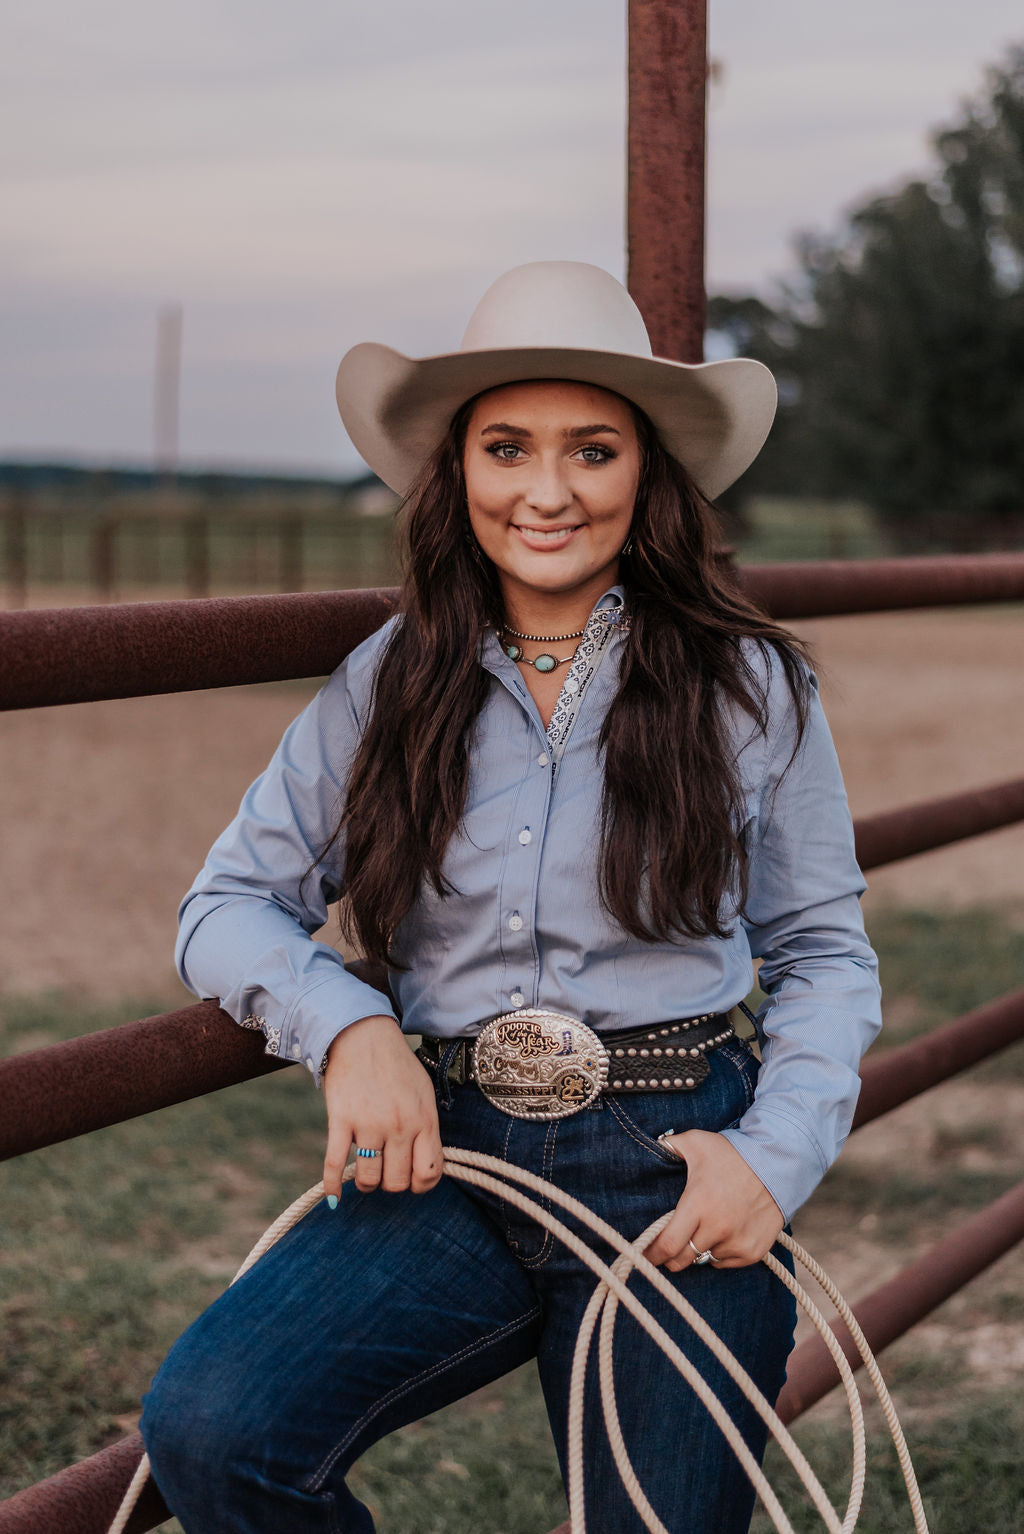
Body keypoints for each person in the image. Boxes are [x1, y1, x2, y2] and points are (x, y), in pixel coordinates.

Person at [140, 261, 881, 1534]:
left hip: (674, 1158)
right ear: (458, 471)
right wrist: (352, 1027)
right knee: (216, 1424)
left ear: (644, 471)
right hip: (451, 1154)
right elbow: (226, 904)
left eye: (592, 449)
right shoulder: (386, 683)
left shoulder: (745, 686)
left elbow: (822, 950)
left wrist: (770, 1161)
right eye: (507, 448)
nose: (547, 491)